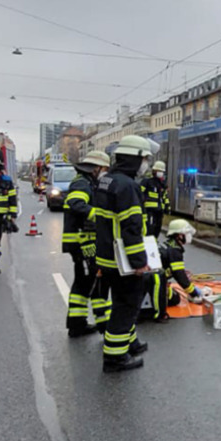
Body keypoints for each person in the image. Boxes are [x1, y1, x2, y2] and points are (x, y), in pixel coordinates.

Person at [95, 135, 155, 373]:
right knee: (126, 306)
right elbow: (130, 227)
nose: (146, 164)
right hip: (123, 262)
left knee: (122, 303)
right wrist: (139, 262)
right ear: (134, 158)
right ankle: (115, 357)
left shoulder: (106, 180)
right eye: (144, 159)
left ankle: (129, 344)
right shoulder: (128, 186)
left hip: (107, 257)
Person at [62, 151, 111, 337]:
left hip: (82, 243)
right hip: (82, 243)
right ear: (96, 168)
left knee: (83, 284)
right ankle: (91, 325)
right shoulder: (82, 183)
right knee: (90, 284)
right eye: (104, 169)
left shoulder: (87, 182)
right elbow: (75, 203)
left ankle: (77, 324)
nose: (105, 172)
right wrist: (98, 216)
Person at [144, 219, 202, 320]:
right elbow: (180, 276)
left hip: (150, 279)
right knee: (175, 299)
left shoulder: (169, 245)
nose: (189, 236)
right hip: (153, 282)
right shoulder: (175, 251)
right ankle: (158, 311)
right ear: (179, 235)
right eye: (187, 233)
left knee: (172, 293)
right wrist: (194, 293)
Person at [141, 160, 170, 238]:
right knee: (149, 227)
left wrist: (167, 207)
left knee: (158, 227)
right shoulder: (147, 181)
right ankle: (148, 241)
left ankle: (154, 242)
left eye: (162, 171)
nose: (160, 173)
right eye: (159, 171)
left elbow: (165, 196)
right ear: (154, 171)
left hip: (159, 210)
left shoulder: (162, 183)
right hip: (149, 210)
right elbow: (140, 193)